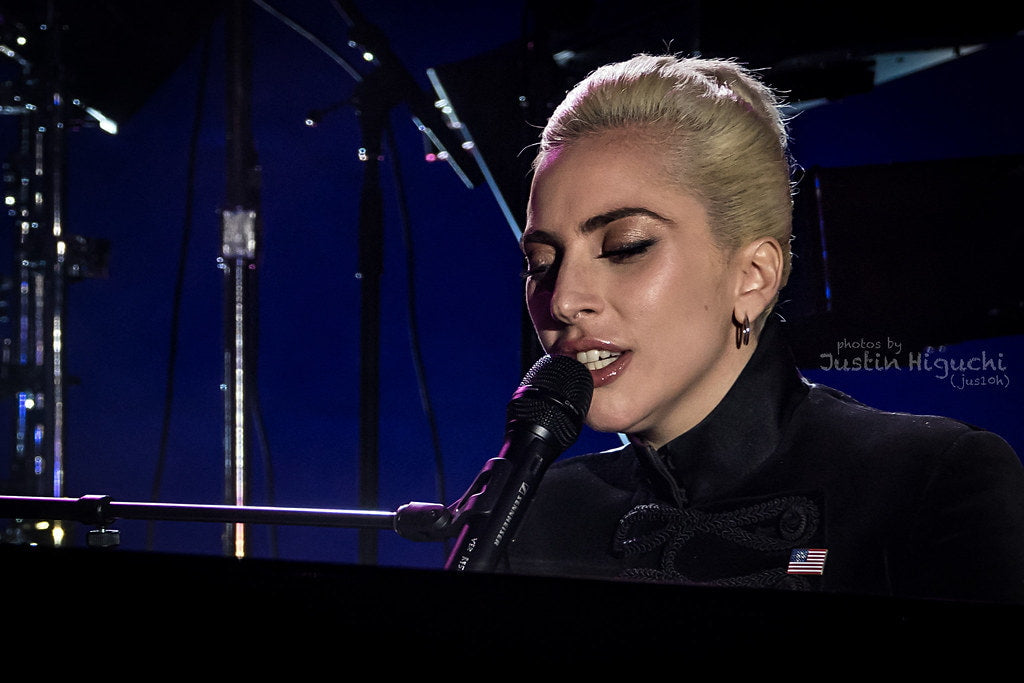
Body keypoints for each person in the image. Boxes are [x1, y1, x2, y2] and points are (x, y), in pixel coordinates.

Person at [503, 53, 1024, 604]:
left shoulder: (926, 482)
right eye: (541, 263)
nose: (562, 300)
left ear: (753, 276)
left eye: (626, 247)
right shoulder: (530, 517)